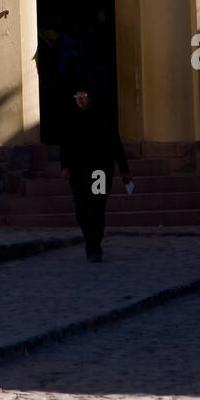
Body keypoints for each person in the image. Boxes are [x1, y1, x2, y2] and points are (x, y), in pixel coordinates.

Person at [59, 77, 132, 263]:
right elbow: (65, 145)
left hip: (99, 172)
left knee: (96, 207)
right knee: (81, 211)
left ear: (91, 97)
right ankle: (90, 241)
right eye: (78, 96)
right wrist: (64, 166)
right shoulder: (71, 118)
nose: (80, 100)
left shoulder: (103, 116)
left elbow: (116, 144)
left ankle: (94, 247)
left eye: (83, 96)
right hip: (78, 173)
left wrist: (124, 169)